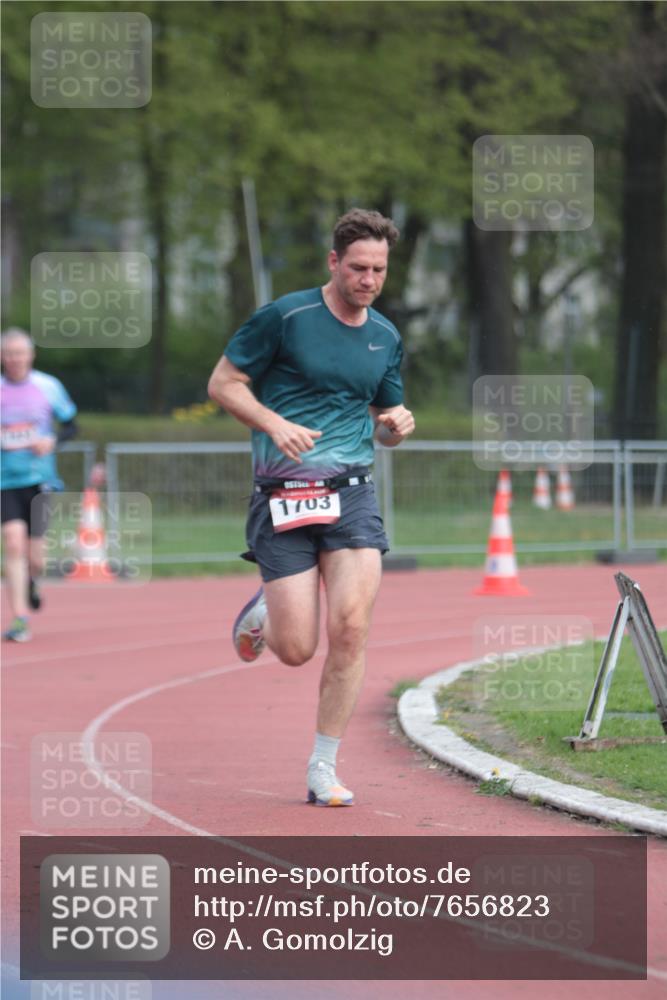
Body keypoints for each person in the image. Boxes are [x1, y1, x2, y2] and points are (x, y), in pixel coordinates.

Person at [208, 208, 415, 807]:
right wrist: (273, 423)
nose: (368, 280)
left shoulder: (385, 335)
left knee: (350, 627)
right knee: (297, 650)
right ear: (334, 262)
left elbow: (383, 417)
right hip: (282, 497)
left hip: (351, 494)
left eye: (378, 269)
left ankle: (323, 765)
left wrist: (397, 425)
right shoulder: (284, 317)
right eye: (357, 268)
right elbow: (223, 383)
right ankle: (266, 617)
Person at [1, 328, 78, 641]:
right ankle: (19, 618)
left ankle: (33, 580)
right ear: (3, 358)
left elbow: (72, 425)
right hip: (5, 481)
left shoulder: (48, 386)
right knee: (13, 542)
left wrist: (52, 440)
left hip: (40, 480)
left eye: (21, 353)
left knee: (36, 556)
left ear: (31, 355)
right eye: (10, 354)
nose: (16, 359)